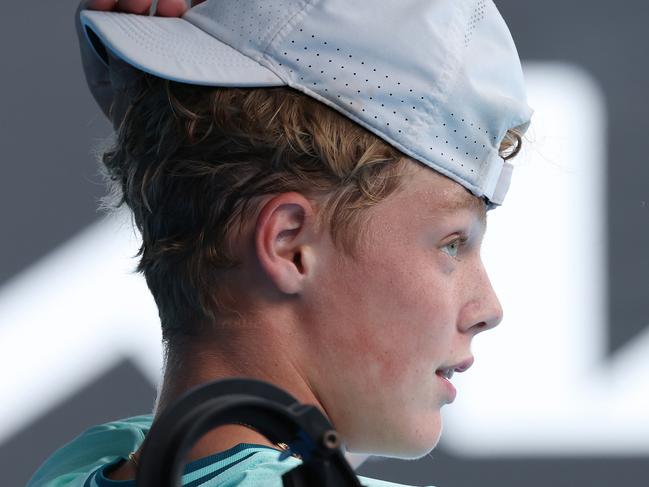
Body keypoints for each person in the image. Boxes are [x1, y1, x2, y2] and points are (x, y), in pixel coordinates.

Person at [28, 0, 532, 485]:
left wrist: (165, 143)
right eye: (452, 244)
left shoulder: (84, 464)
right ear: (289, 245)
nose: (488, 308)